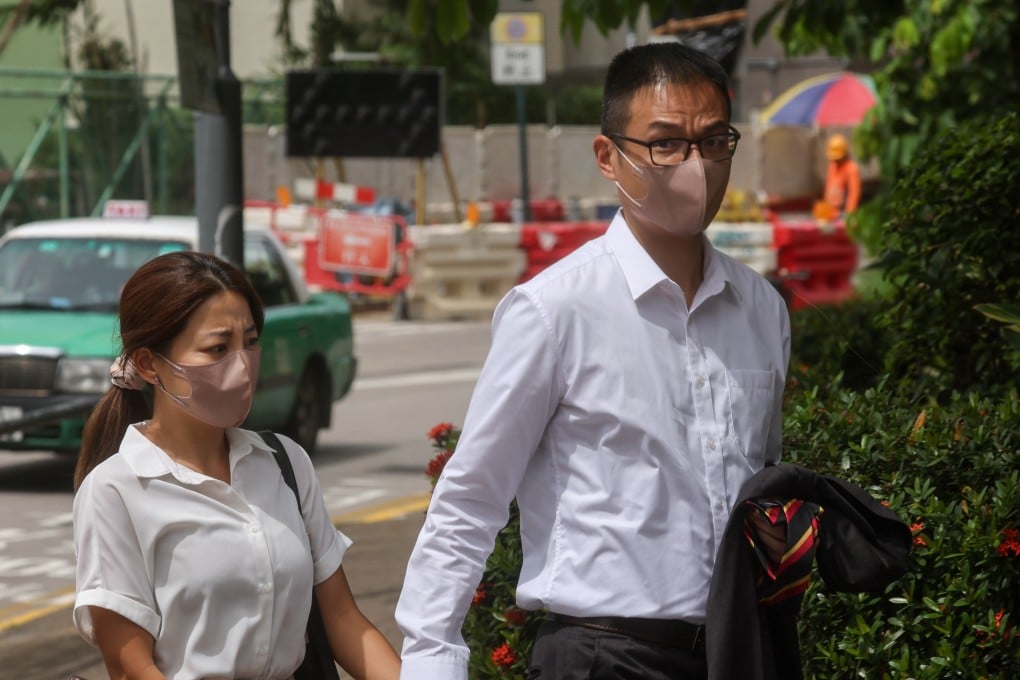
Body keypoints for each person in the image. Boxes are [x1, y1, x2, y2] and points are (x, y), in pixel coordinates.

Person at [395, 42, 790, 680]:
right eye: (665, 142)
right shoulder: (554, 310)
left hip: (738, 649)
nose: (695, 165)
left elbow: (759, 471)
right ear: (609, 156)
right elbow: (471, 496)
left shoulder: (761, 309)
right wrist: (432, 657)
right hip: (604, 655)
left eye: (714, 140)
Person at [71, 251, 400, 680]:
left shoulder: (285, 462)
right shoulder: (115, 491)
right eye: (218, 348)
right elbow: (131, 665)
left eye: (251, 342)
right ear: (150, 364)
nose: (242, 366)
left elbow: (343, 621)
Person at [822, 133, 861, 216]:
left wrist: (849, 214)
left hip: (844, 213)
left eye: (837, 158)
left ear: (844, 154)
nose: (835, 160)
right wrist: (826, 210)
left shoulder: (851, 168)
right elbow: (828, 189)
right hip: (832, 213)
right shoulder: (832, 167)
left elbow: (854, 194)